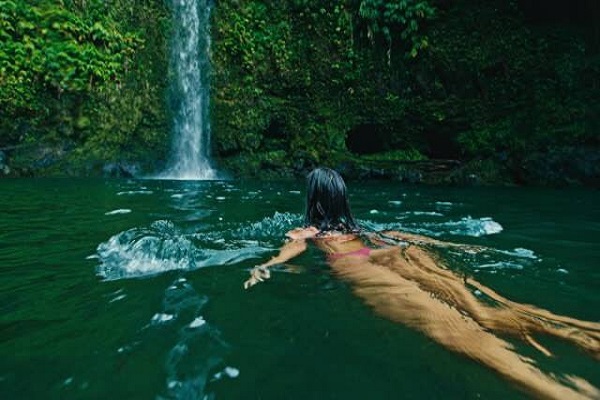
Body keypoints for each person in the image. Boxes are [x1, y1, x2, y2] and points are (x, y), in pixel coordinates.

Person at [244, 167, 600, 400]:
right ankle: (577, 335)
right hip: (395, 252)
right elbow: (398, 236)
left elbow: (288, 252)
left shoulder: (307, 230)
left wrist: (263, 268)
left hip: (359, 267)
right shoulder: (358, 227)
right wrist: (451, 245)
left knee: (457, 334)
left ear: (313, 199)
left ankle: (564, 393)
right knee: (486, 312)